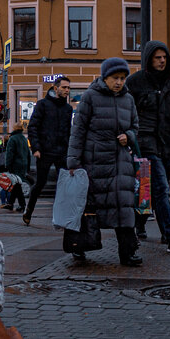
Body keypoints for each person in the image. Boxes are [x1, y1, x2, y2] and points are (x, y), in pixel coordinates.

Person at [66, 58, 142, 266]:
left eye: (122, 78)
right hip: (95, 163)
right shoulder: (90, 97)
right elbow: (78, 131)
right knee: (89, 207)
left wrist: (129, 136)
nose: (119, 82)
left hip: (120, 163)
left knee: (124, 207)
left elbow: (135, 126)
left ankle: (128, 252)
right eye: (115, 78)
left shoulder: (129, 99)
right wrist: (73, 162)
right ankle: (79, 247)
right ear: (105, 77)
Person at [125, 40, 170, 254]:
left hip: (167, 144)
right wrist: (132, 136)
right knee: (159, 189)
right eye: (157, 57)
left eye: (164, 57)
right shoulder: (135, 82)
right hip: (145, 145)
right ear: (148, 59)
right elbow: (127, 112)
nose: (162, 61)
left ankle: (141, 225)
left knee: (149, 190)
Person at [22, 77, 73, 226]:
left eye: (68, 88)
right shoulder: (43, 105)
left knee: (64, 185)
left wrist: (70, 149)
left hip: (62, 152)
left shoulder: (68, 109)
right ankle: (28, 211)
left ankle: (61, 217)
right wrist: (36, 148)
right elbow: (33, 127)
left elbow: (69, 131)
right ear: (55, 88)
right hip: (44, 151)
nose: (67, 91)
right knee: (40, 183)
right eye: (64, 87)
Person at [2, 124, 31, 214]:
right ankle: (11, 203)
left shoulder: (12, 139)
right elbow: (28, 154)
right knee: (16, 184)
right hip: (23, 165)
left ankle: (21, 205)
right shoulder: (24, 139)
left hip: (15, 165)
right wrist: (28, 167)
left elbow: (9, 154)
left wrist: (8, 165)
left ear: (14, 129)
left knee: (16, 185)